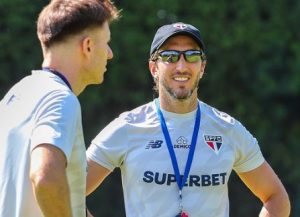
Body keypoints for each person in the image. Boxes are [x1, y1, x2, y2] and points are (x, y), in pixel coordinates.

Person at [85, 22, 290, 217]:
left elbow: (276, 197)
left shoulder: (228, 129)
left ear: (202, 67)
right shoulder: (127, 127)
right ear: (154, 68)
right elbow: (66, 191)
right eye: (170, 56)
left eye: (192, 56)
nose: (182, 66)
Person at [0, 0, 119, 216]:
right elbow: (46, 178)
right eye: (107, 42)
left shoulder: (17, 95)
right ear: (88, 46)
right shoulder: (60, 98)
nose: (110, 53)